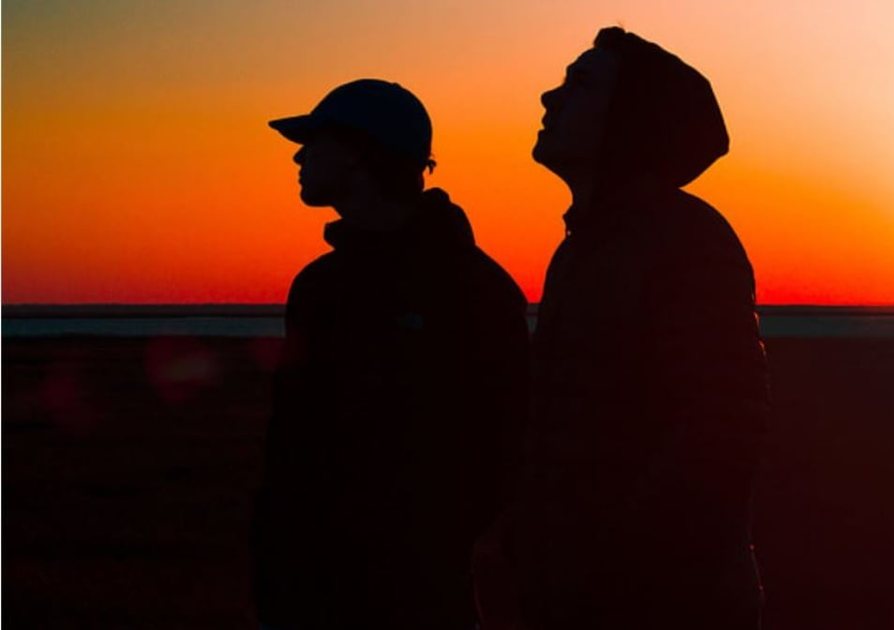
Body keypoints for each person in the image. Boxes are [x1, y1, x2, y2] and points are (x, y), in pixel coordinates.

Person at [508, 27, 771, 630]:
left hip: (657, 597)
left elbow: (722, 429)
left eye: (580, 85)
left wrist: (621, 563)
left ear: (630, 119)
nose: (550, 97)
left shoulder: (685, 240)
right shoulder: (583, 246)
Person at [253, 79, 530, 629]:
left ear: (358, 153)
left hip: (435, 596)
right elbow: (292, 448)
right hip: (319, 589)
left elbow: (508, 450)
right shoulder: (319, 286)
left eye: (314, 143)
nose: (299, 157)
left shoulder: (474, 289)